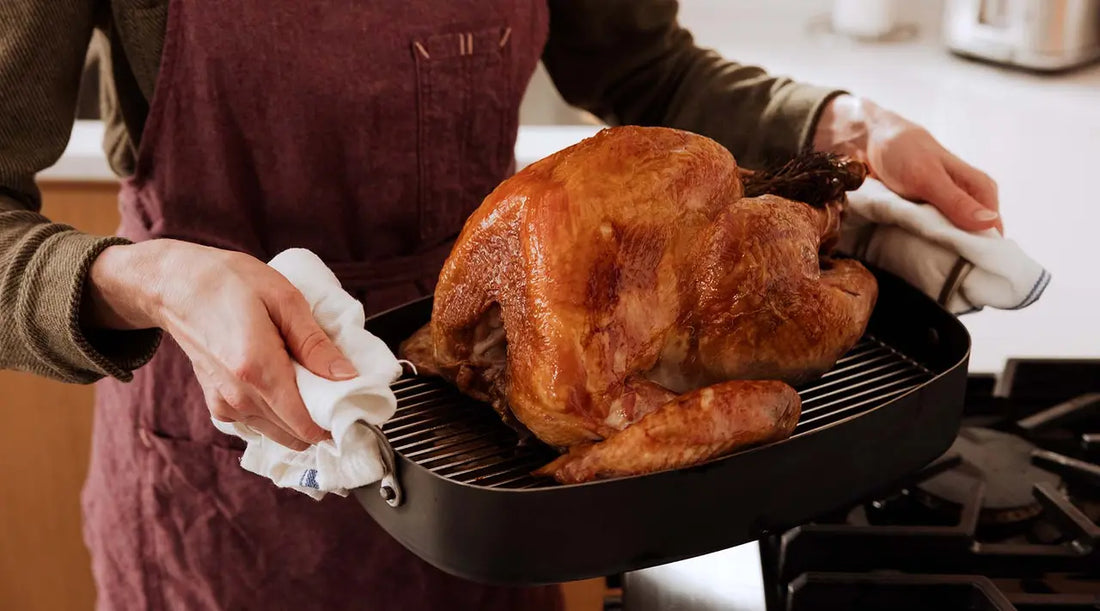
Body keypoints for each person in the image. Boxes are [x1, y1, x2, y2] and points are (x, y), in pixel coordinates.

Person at [0, 1, 1001, 609]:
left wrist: (839, 131)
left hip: (497, 458)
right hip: (236, 476)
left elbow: (643, 65)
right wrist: (151, 280)